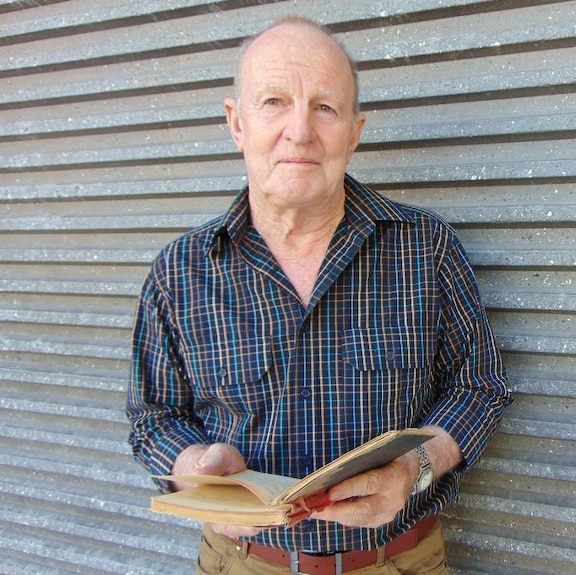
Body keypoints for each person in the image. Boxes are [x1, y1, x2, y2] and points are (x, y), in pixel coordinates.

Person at [126, 15, 511, 575]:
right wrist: (196, 466)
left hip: (397, 562)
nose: (300, 131)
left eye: (325, 107)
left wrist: (414, 469)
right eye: (274, 102)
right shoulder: (180, 271)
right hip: (241, 563)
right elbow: (152, 418)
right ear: (237, 123)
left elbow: (481, 387)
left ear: (354, 132)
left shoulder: (424, 247)